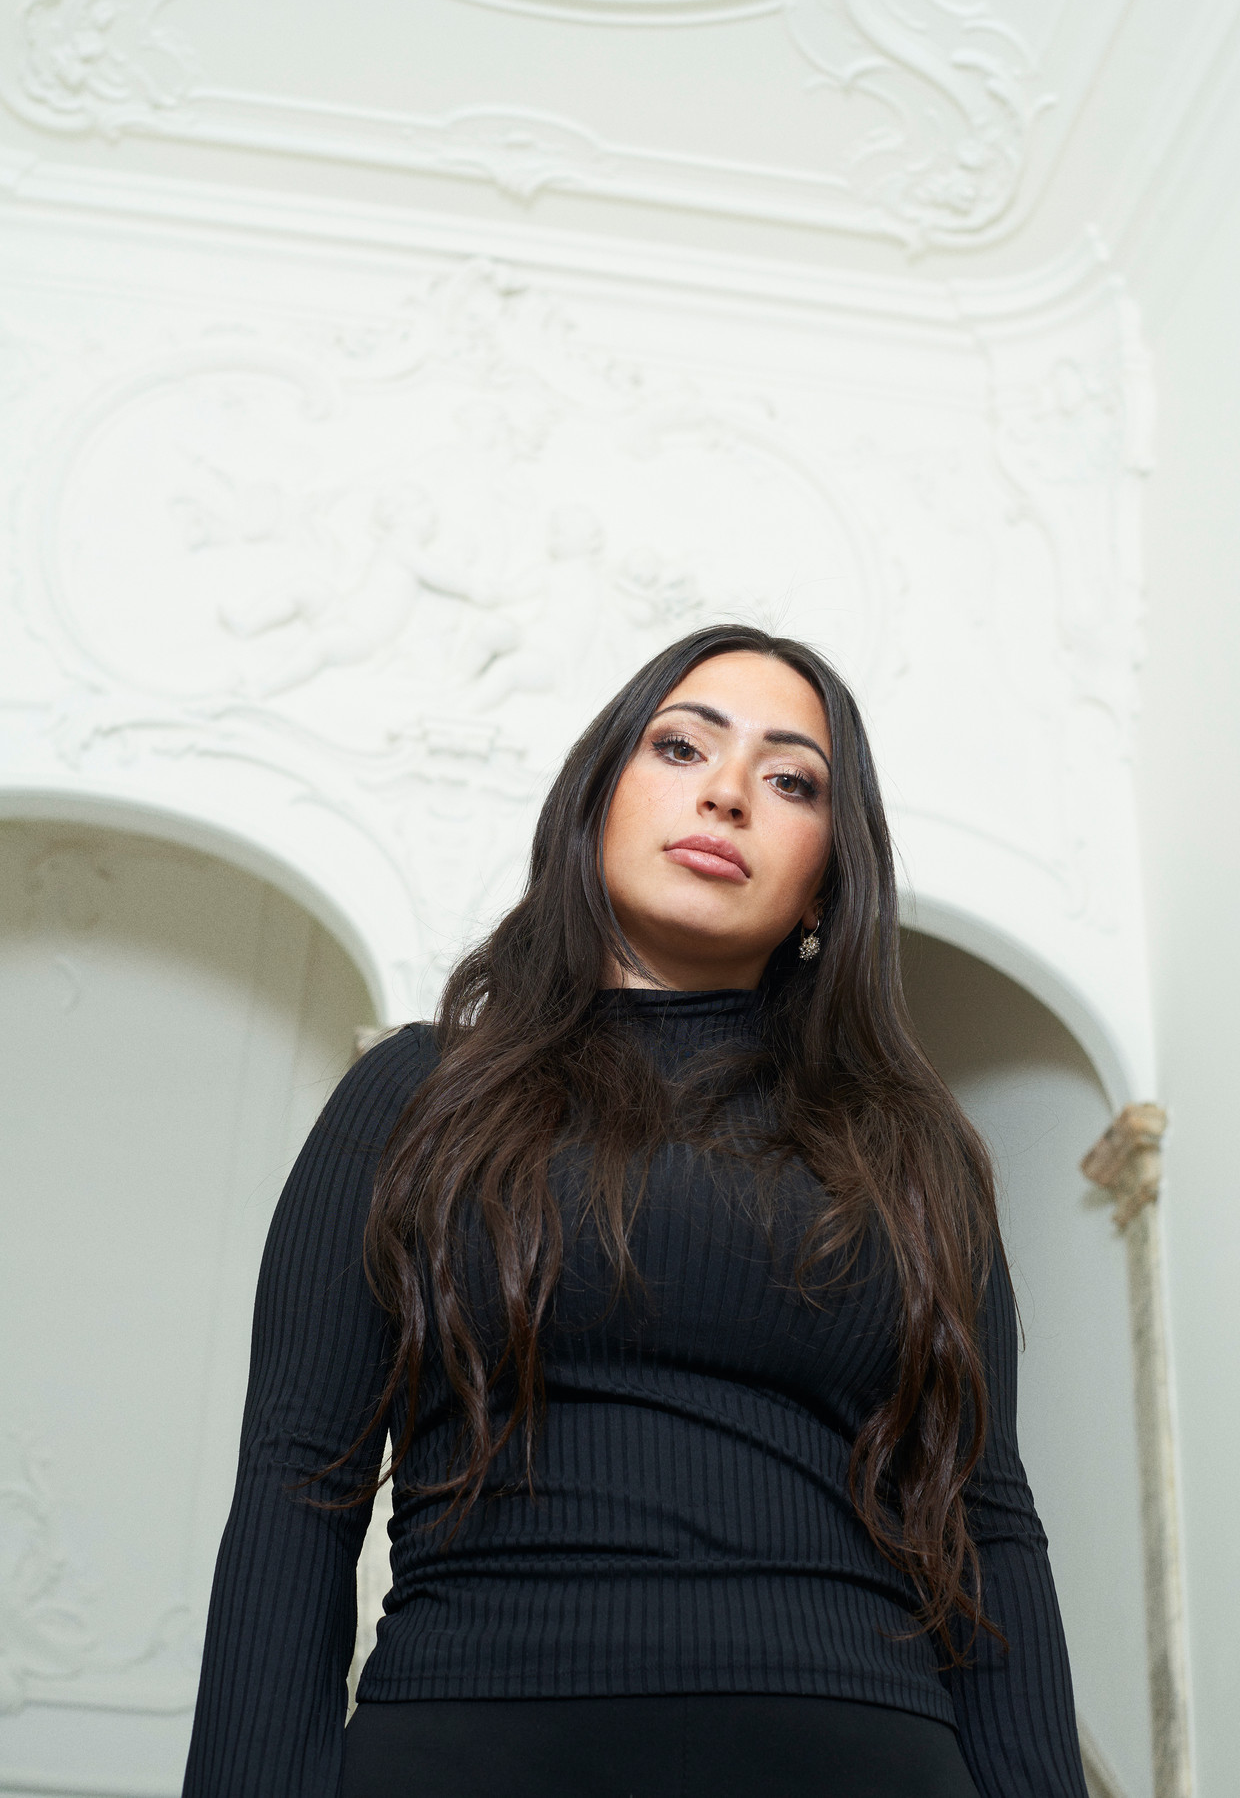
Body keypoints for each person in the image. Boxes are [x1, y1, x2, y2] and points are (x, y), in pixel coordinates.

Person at [182, 625, 1090, 1798]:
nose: (727, 793)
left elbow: (986, 1523)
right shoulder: (415, 1095)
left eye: (791, 781)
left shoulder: (913, 1150)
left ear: (826, 878)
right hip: (471, 1743)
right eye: (680, 747)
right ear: (594, 799)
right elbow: (299, 1480)